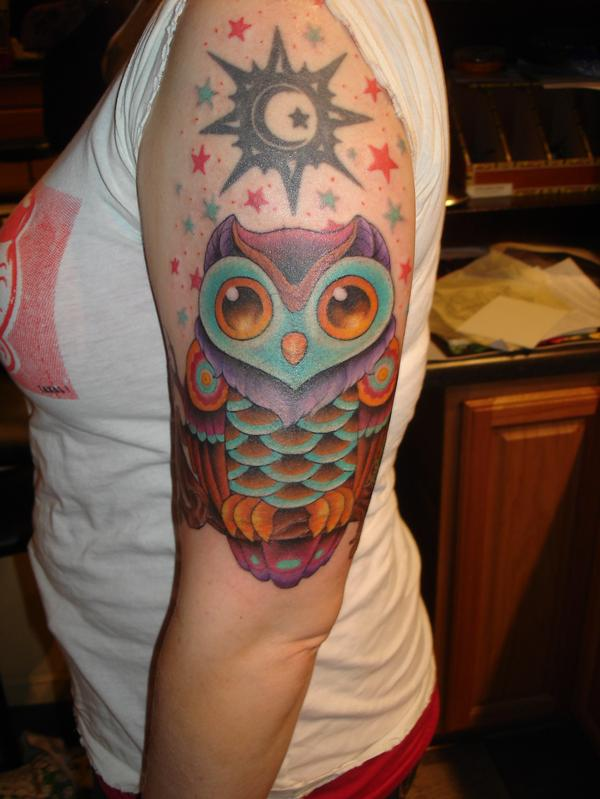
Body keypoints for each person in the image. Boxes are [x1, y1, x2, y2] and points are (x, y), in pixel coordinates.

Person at [0, 1, 448, 797]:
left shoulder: (267, 32)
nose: (296, 348)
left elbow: (264, 632)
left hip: (251, 754)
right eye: (246, 302)